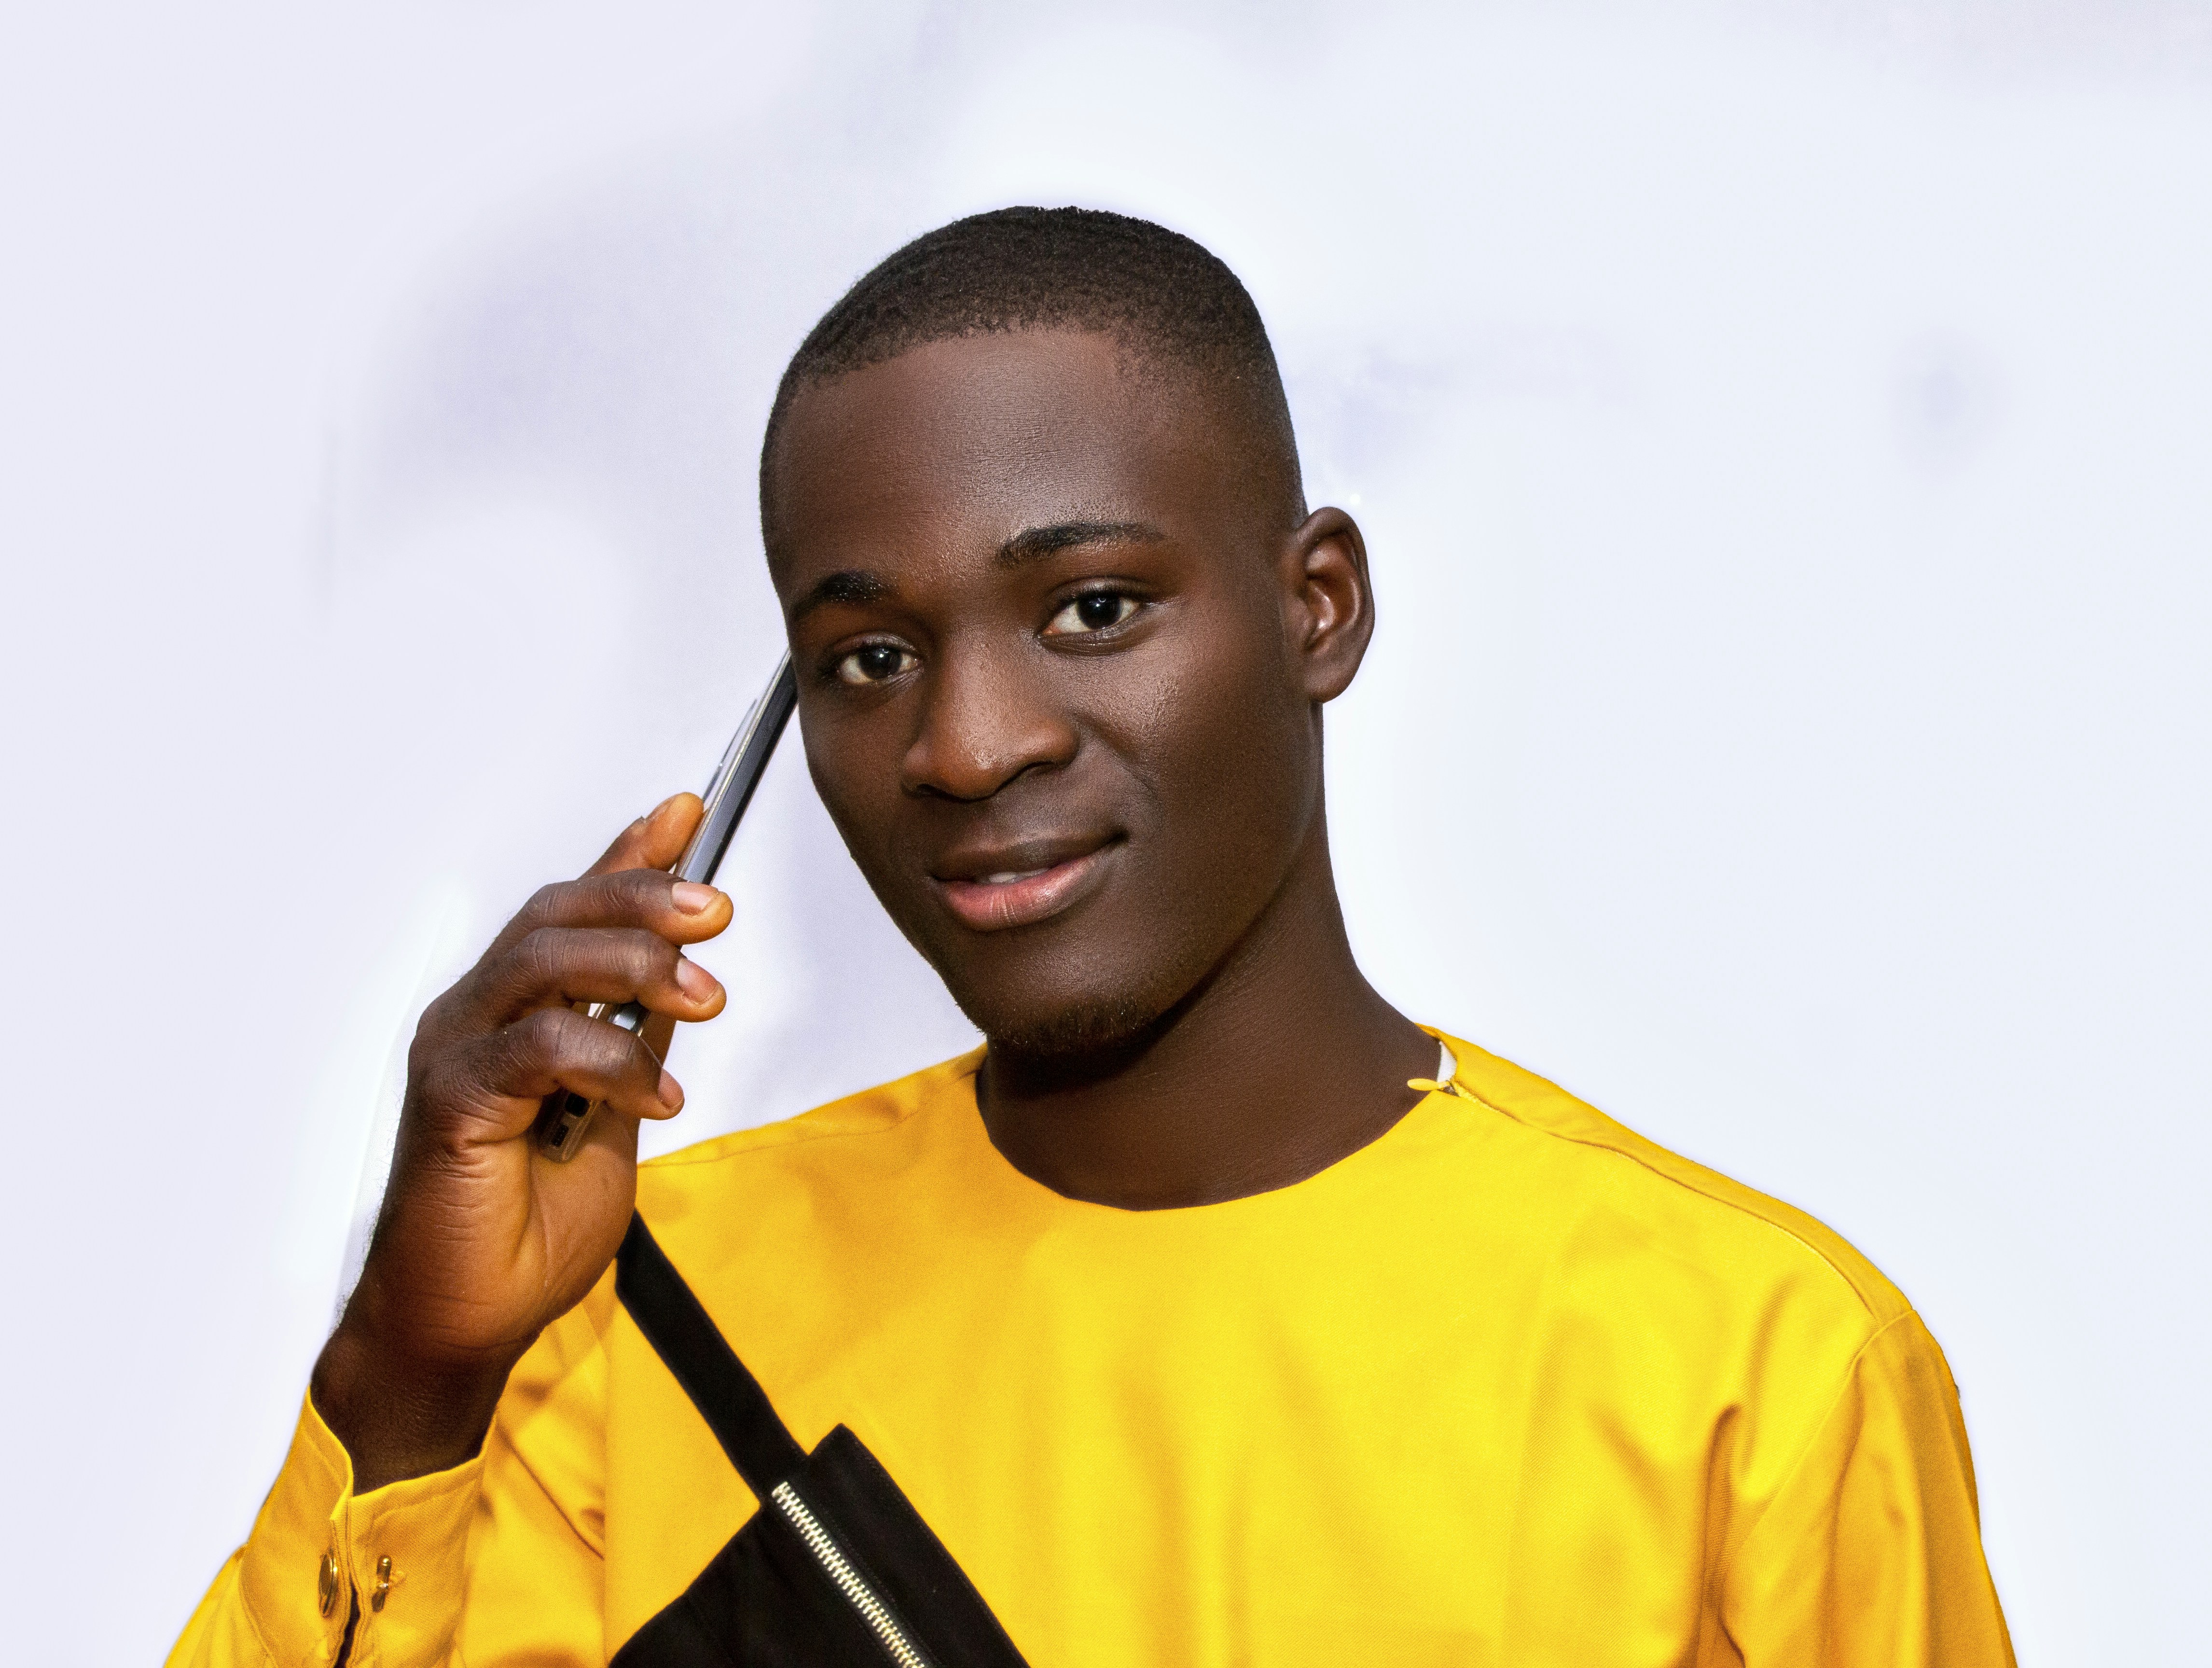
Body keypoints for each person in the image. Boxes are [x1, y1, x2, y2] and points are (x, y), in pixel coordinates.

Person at [170, 208, 2015, 1667]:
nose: (971, 744)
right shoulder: (637, 1318)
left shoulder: (1751, 1375)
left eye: (1095, 606)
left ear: (1318, 609)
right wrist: (409, 1385)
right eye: (871, 658)